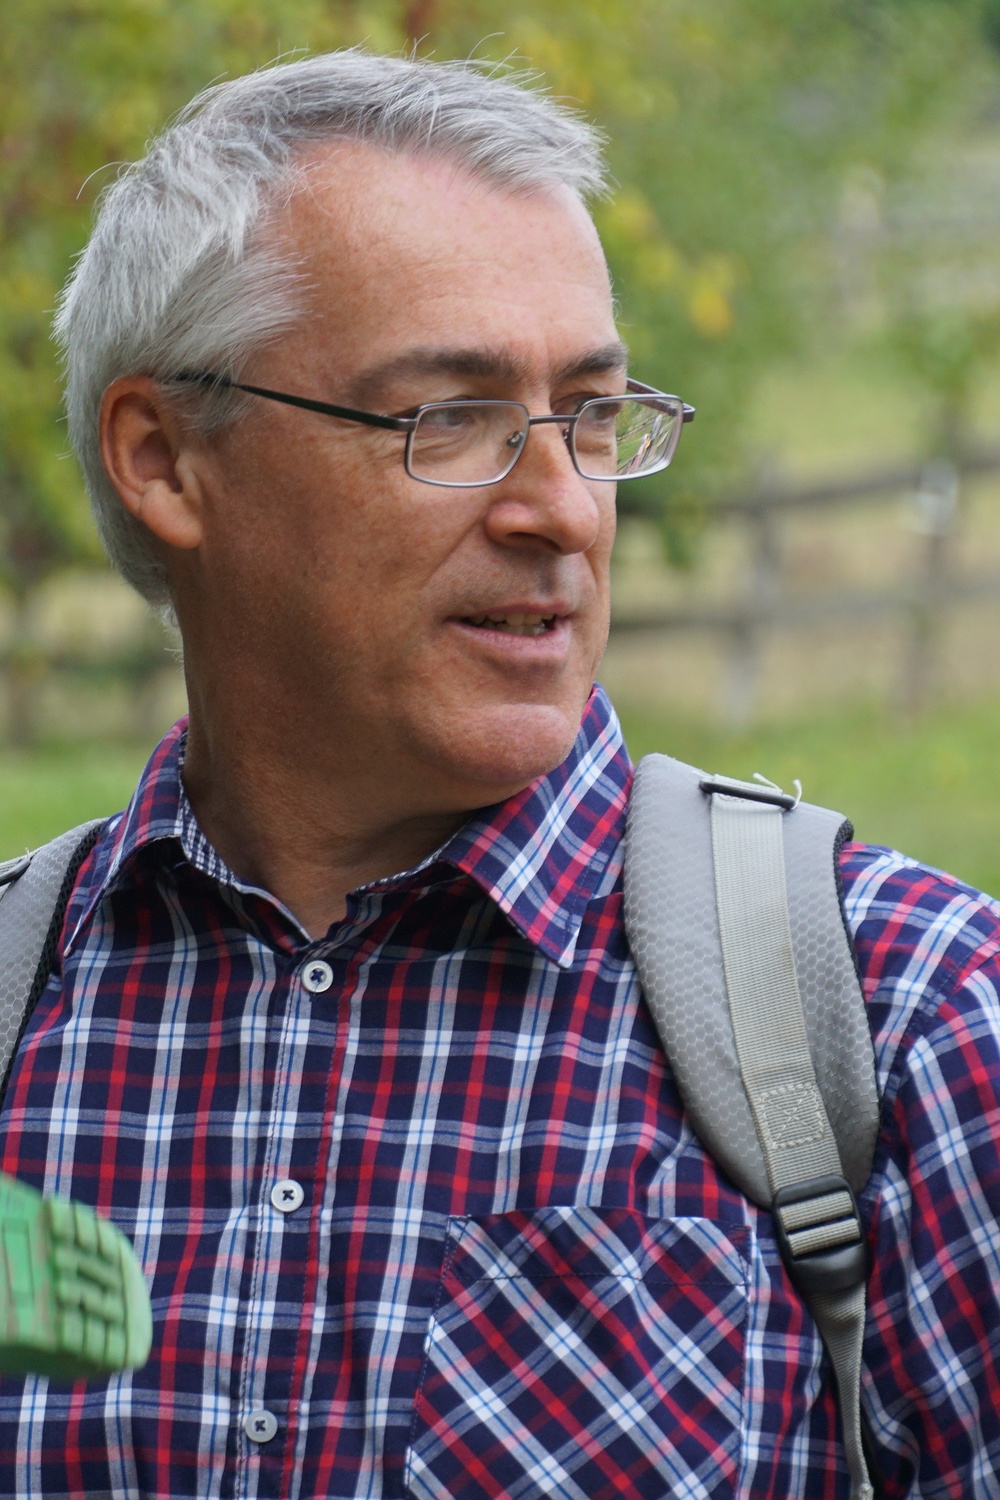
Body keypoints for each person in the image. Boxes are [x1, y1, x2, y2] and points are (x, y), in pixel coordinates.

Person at [0, 47, 998, 1500]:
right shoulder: (18, 1012)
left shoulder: (911, 1023)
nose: (564, 511)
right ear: (163, 458)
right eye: (449, 418)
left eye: (593, 414)